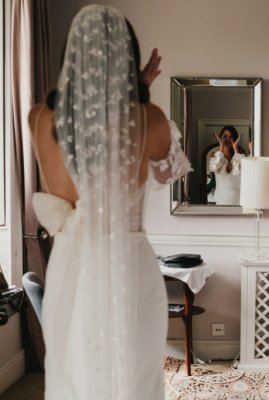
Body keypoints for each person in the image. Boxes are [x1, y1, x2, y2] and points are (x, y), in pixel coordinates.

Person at [28, 5, 191, 399]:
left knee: (75, 369)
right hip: (128, 258)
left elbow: (90, 135)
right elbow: (169, 172)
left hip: (71, 260)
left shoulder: (39, 118)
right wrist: (142, 92)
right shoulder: (148, 117)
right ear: (128, 58)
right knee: (134, 371)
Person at [208, 125, 246, 205]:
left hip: (238, 201)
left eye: (231, 137)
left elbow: (242, 172)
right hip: (220, 201)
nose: (228, 140)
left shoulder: (240, 158)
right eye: (225, 136)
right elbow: (215, 168)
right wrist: (221, 150)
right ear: (221, 138)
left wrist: (236, 150)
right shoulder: (214, 156)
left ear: (235, 139)